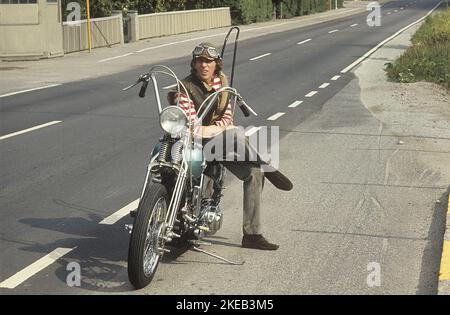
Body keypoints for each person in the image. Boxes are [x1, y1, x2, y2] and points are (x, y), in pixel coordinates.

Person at [168, 42, 292, 250]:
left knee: (253, 171)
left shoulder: (223, 87)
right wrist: (210, 130)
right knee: (235, 133)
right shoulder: (185, 88)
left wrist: (214, 130)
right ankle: (265, 164)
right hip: (192, 145)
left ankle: (252, 235)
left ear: (217, 64)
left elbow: (226, 119)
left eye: (208, 62)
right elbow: (188, 123)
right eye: (199, 61)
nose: (204, 66)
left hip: (217, 145)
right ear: (194, 64)